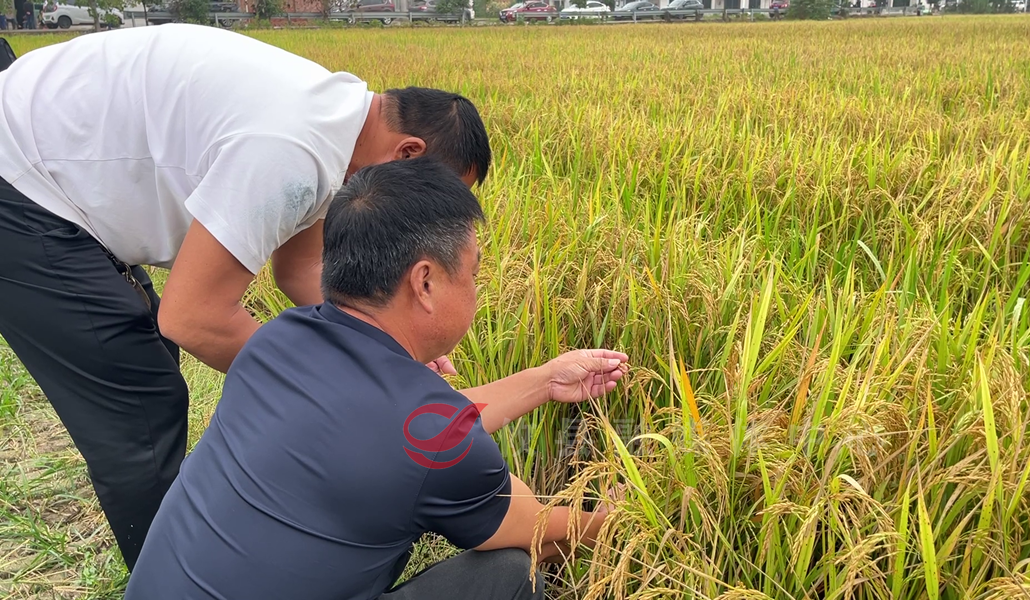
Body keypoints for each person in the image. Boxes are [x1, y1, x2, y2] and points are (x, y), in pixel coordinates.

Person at [0, 24, 492, 571]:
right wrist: (331, 386)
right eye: (436, 198)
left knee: (145, 364)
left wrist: (383, 350)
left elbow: (303, 267)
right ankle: (179, 578)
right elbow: (192, 316)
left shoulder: (338, 126)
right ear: (408, 153)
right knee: (139, 407)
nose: (432, 220)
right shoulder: (292, 148)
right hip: (22, 178)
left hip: (54, 164)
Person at [125, 157, 628, 600]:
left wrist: (545, 380)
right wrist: (618, 521)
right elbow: (538, 529)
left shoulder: (278, 340)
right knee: (512, 575)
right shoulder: (432, 436)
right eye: (473, 273)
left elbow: (417, 433)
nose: (477, 287)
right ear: (425, 283)